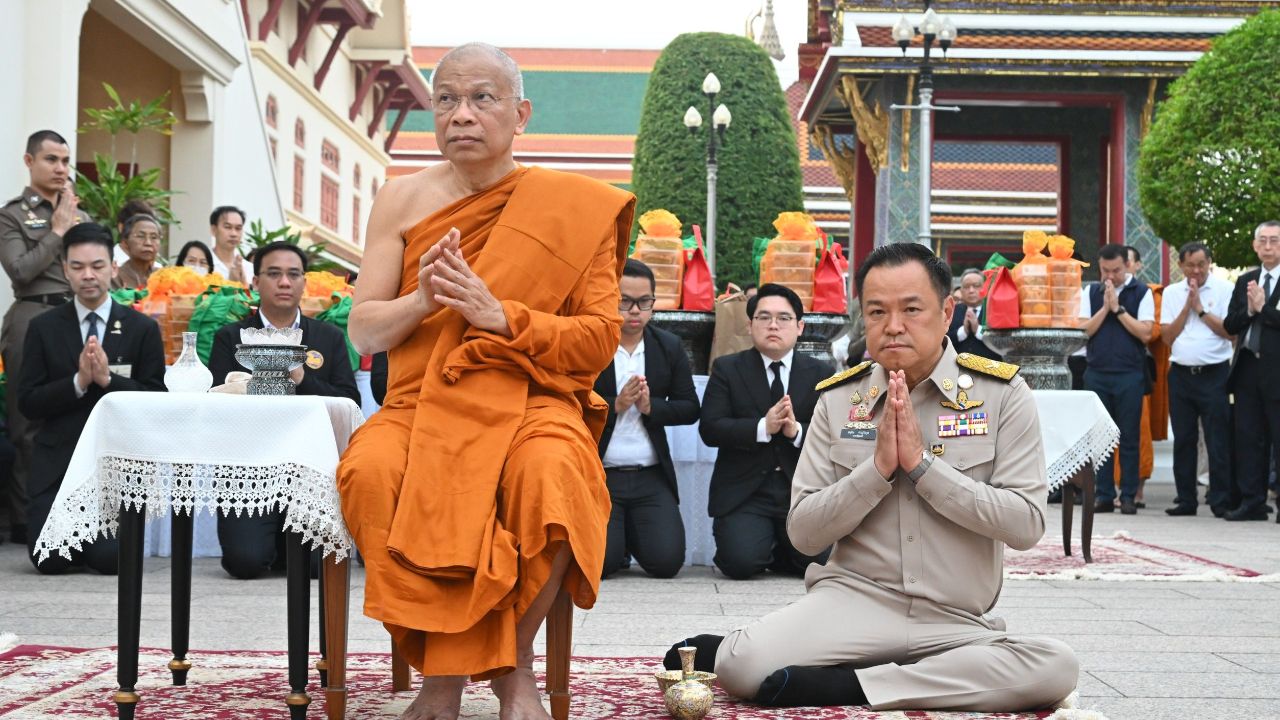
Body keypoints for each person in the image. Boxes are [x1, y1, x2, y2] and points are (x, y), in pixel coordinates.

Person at [334, 43, 635, 719]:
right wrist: (423, 302)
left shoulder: (572, 207)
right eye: (446, 100)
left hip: (532, 399)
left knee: (553, 473)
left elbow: (595, 343)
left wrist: (503, 317)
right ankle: (443, 676)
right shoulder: (400, 200)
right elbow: (364, 331)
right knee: (370, 471)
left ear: (520, 113)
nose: (461, 115)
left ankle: (515, 665)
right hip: (421, 401)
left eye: (482, 99)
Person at [665, 242, 1076, 712]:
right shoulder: (839, 401)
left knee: (1056, 666)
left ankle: (850, 685)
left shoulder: (1001, 394)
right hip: (853, 604)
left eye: (911, 309)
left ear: (946, 312)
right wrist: (877, 471)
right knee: (741, 667)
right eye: (877, 311)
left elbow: (1025, 525)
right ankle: (797, 651)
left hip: (956, 619)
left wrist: (923, 467)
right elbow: (802, 532)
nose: (894, 326)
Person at [17, 223, 166, 574]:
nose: (88, 276)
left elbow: (156, 401)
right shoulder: (43, 327)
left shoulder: (141, 328)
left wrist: (107, 380)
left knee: (110, 560)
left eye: (97, 266)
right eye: (78, 267)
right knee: (50, 561)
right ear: (65, 270)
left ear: (113, 268)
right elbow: (28, 401)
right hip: (59, 465)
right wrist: (79, 381)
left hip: (115, 467)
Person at [208, 241, 360, 578]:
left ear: (305, 282)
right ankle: (268, 543)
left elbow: (350, 401)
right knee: (244, 564)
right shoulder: (230, 337)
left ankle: (281, 542)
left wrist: (302, 378)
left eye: (293, 275)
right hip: (249, 467)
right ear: (256, 282)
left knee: (318, 568)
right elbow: (216, 401)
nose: (284, 282)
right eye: (273, 274)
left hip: (310, 467)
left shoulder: (328, 337)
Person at [699, 283, 831, 580]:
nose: (773, 325)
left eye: (784, 318)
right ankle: (764, 546)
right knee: (740, 564)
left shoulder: (821, 373)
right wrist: (762, 427)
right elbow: (710, 428)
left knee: (818, 565)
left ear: (799, 327)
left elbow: (836, 434)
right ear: (749, 325)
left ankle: (782, 549)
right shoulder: (727, 368)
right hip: (745, 491)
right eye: (763, 317)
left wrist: (796, 431)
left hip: (799, 490)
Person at [0, 130, 91, 546]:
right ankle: (26, 519)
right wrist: (57, 230)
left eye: (65, 161)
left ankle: (73, 513)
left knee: (79, 413)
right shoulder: (13, 215)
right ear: (29, 161)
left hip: (77, 317)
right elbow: (19, 271)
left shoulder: (78, 213)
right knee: (28, 422)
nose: (60, 168)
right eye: (51, 159)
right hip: (32, 313)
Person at [594, 259, 699, 579]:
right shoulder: (593, 342)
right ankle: (618, 543)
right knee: (602, 566)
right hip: (601, 472)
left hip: (650, 475)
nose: (635, 310)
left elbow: (690, 407)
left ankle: (630, 535)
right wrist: (615, 405)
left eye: (644, 302)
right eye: (625, 301)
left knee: (666, 563)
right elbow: (568, 400)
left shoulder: (667, 346)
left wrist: (650, 407)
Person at [1159, 242, 1234, 517]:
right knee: (1184, 439)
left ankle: (1221, 499)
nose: (1196, 271)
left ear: (1209, 263)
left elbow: (1230, 332)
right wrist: (1187, 307)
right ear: (1180, 266)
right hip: (1181, 374)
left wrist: (1201, 309)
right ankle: (1186, 499)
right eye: (1190, 265)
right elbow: (1167, 337)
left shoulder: (1224, 289)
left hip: (1215, 373)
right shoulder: (1171, 292)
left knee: (1218, 438)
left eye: (1201, 265)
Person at [1081, 244, 1154, 515]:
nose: (1110, 276)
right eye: (1105, 271)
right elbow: (1082, 331)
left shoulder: (1142, 292)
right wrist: (1105, 308)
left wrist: (1119, 309)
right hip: (1097, 372)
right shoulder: (1090, 292)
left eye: (1116, 270)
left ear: (1128, 265)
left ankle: (1128, 496)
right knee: (1101, 439)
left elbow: (1146, 333)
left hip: (1130, 374)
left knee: (1129, 437)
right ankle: (1103, 494)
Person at [1223, 220, 1280, 522]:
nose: (1268, 247)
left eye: (1275, 241)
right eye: (1263, 241)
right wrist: (1248, 309)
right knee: (1248, 437)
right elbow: (1229, 324)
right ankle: (1252, 501)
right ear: (1255, 246)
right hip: (1247, 369)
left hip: (1277, 371)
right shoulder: (1247, 280)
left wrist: (1263, 309)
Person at [946, 268, 1001, 361]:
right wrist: (963, 331)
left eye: (976, 286)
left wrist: (978, 330)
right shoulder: (951, 311)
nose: (971, 290)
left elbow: (1002, 342)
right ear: (961, 290)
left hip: (989, 371)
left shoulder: (995, 310)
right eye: (967, 286)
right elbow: (941, 341)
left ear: (985, 288)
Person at [112, 213, 162, 289]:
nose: (148, 243)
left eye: (154, 237)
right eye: (140, 236)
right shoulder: (115, 276)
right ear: (125, 243)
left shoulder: (163, 276)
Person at [208, 206, 253, 283]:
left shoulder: (250, 268)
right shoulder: (204, 265)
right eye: (228, 227)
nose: (234, 234)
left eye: (238, 228)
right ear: (213, 230)